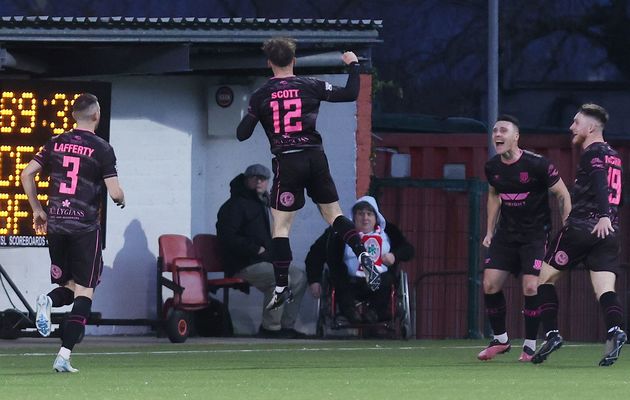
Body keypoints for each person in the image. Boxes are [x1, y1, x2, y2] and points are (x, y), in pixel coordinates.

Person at [236, 37, 377, 310]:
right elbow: (349, 94)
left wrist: (255, 113)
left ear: (269, 64)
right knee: (334, 216)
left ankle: (280, 287)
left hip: (288, 161)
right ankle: (363, 255)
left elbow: (242, 135)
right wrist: (354, 65)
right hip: (315, 157)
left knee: (281, 226)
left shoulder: (262, 94)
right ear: (294, 61)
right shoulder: (310, 84)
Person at [21, 93, 125, 373]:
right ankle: (64, 355)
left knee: (69, 287)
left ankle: (48, 301)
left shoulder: (55, 143)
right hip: (84, 229)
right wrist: (121, 198)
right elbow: (114, 192)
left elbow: (26, 174)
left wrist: (37, 210)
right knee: (86, 292)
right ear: (96, 116)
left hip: (56, 225)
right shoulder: (102, 148)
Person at [532, 104, 626, 366]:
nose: (571, 127)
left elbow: (598, 181)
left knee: (543, 279)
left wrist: (604, 214)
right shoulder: (615, 156)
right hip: (608, 233)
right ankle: (615, 332)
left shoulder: (592, 152)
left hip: (584, 228)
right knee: (605, 290)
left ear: (591, 128)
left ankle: (551, 334)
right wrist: (610, 218)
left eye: (576, 122)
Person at [477, 114, 571, 362]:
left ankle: (529, 345)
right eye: (495, 130)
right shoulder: (492, 167)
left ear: (516, 137)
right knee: (489, 284)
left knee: (531, 286)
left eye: (503, 131)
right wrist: (489, 231)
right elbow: (494, 196)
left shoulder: (538, 165)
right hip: (506, 235)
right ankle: (501, 339)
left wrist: (567, 227)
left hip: (535, 235)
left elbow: (562, 194)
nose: (497, 135)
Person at [216, 163, 307, 338]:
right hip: (243, 263)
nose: (259, 181)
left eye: (263, 178)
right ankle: (270, 328)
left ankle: (286, 326)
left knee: (299, 277)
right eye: (254, 177)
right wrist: (254, 248)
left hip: (264, 262)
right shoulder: (234, 205)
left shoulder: (264, 204)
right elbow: (226, 237)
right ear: (246, 180)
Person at [305, 196, 414, 324]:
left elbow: (409, 250)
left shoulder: (389, 232)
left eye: (369, 214)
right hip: (349, 282)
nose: (365, 218)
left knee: (387, 280)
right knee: (339, 277)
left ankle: (374, 313)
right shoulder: (338, 232)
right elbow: (315, 254)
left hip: (381, 281)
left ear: (376, 217)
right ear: (354, 216)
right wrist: (314, 280)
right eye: (361, 214)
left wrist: (394, 255)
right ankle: (351, 313)